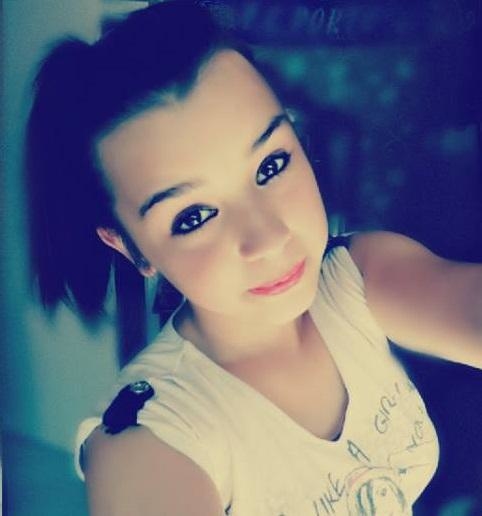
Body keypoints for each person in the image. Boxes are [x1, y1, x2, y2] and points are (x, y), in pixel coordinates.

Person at [26, 1, 482, 514]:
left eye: (270, 165)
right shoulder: (149, 442)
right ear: (129, 246)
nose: (268, 238)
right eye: (193, 217)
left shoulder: (358, 275)